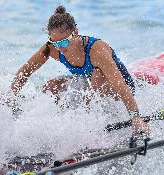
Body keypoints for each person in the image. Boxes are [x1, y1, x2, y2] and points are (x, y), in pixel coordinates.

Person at [10, 5, 149, 135]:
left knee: (98, 75)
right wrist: (11, 95)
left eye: (64, 42)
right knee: (50, 86)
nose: (61, 49)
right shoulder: (52, 48)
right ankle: (55, 127)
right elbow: (25, 70)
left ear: (75, 32)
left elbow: (120, 84)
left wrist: (135, 117)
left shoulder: (97, 50)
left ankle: (90, 125)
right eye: (55, 43)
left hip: (121, 87)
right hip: (89, 83)